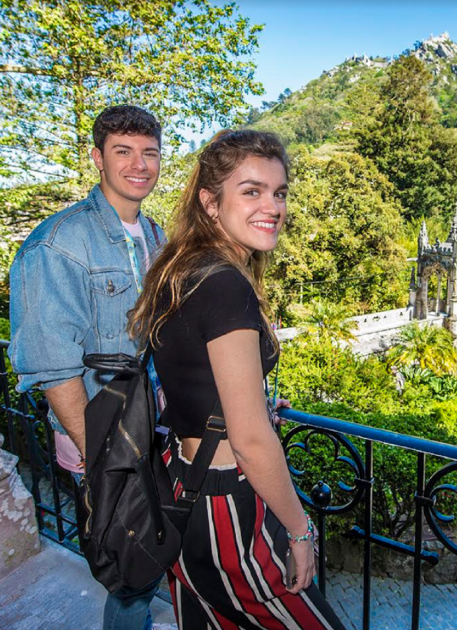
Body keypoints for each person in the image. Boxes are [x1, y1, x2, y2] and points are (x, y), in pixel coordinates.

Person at [128, 130, 346, 630]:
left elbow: (194, 378)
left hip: (183, 486)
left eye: (280, 192)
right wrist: (299, 531)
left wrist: (255, 397)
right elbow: (248, 440)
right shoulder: (227, 286)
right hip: (227, 507)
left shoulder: (180, 269)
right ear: (210, 202)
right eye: (251, 191)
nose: (272, 205)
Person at [10, 105, 166, 630]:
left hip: (151, 432)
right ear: (98, 158)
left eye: (149, 153)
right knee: (130, 574)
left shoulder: (154, 235)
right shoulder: (58, 243)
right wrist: (101, 460)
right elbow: (53, 367)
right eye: (123, 151)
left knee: (151, 555)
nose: (139, 165)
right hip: (104, 442)